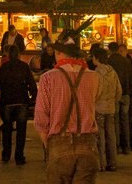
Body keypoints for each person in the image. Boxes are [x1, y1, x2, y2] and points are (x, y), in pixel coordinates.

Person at [34, 29, 101, 183]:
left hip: (59, 143)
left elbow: (41, 118)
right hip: (88, 144)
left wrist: (49, 145)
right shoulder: (94, 77)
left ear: (58, 53)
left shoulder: (48, 78)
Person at [0, 44, 37, 165]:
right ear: (19, 55)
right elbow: (32, 85)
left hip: (7, 102)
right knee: (21, 130)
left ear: (8, 55)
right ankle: (19, 156)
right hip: (21, 102)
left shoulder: (4, 67)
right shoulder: (24, 67)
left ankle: (6, 154)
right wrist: (32, 99)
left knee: (6, 129)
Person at [90, 44, 122, 171]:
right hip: (111, 108)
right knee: (111, 135)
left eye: (93, 57)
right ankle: (112, 162)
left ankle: (101, 163)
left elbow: (96, 92)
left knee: (100, 137)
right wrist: (114, 100)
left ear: (97, 58)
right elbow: (118, 90)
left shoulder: (96, 74)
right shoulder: (112, 71)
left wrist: (94, 102)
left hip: (99, 108)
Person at [106, 42, 132, 155]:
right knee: (125, 120)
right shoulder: (126, 61)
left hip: (115, 93)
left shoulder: (109, 62)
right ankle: (126, 147)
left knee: (116, 120)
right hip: (126, 92)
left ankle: (116, 146)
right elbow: (131, 76)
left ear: (109, 50)